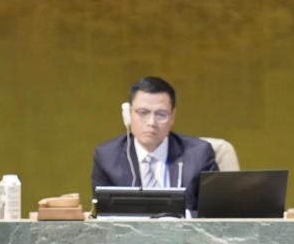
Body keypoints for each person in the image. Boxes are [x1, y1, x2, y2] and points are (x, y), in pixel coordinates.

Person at [92, 76, 219, 214]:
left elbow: (214, 213)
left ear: (173, 116)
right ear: (128, 114)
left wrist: (184, 217)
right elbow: (103, 217)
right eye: (143, 112)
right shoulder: (107, 157)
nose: (151, 122)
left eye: (161, 114)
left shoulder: (199, 154)